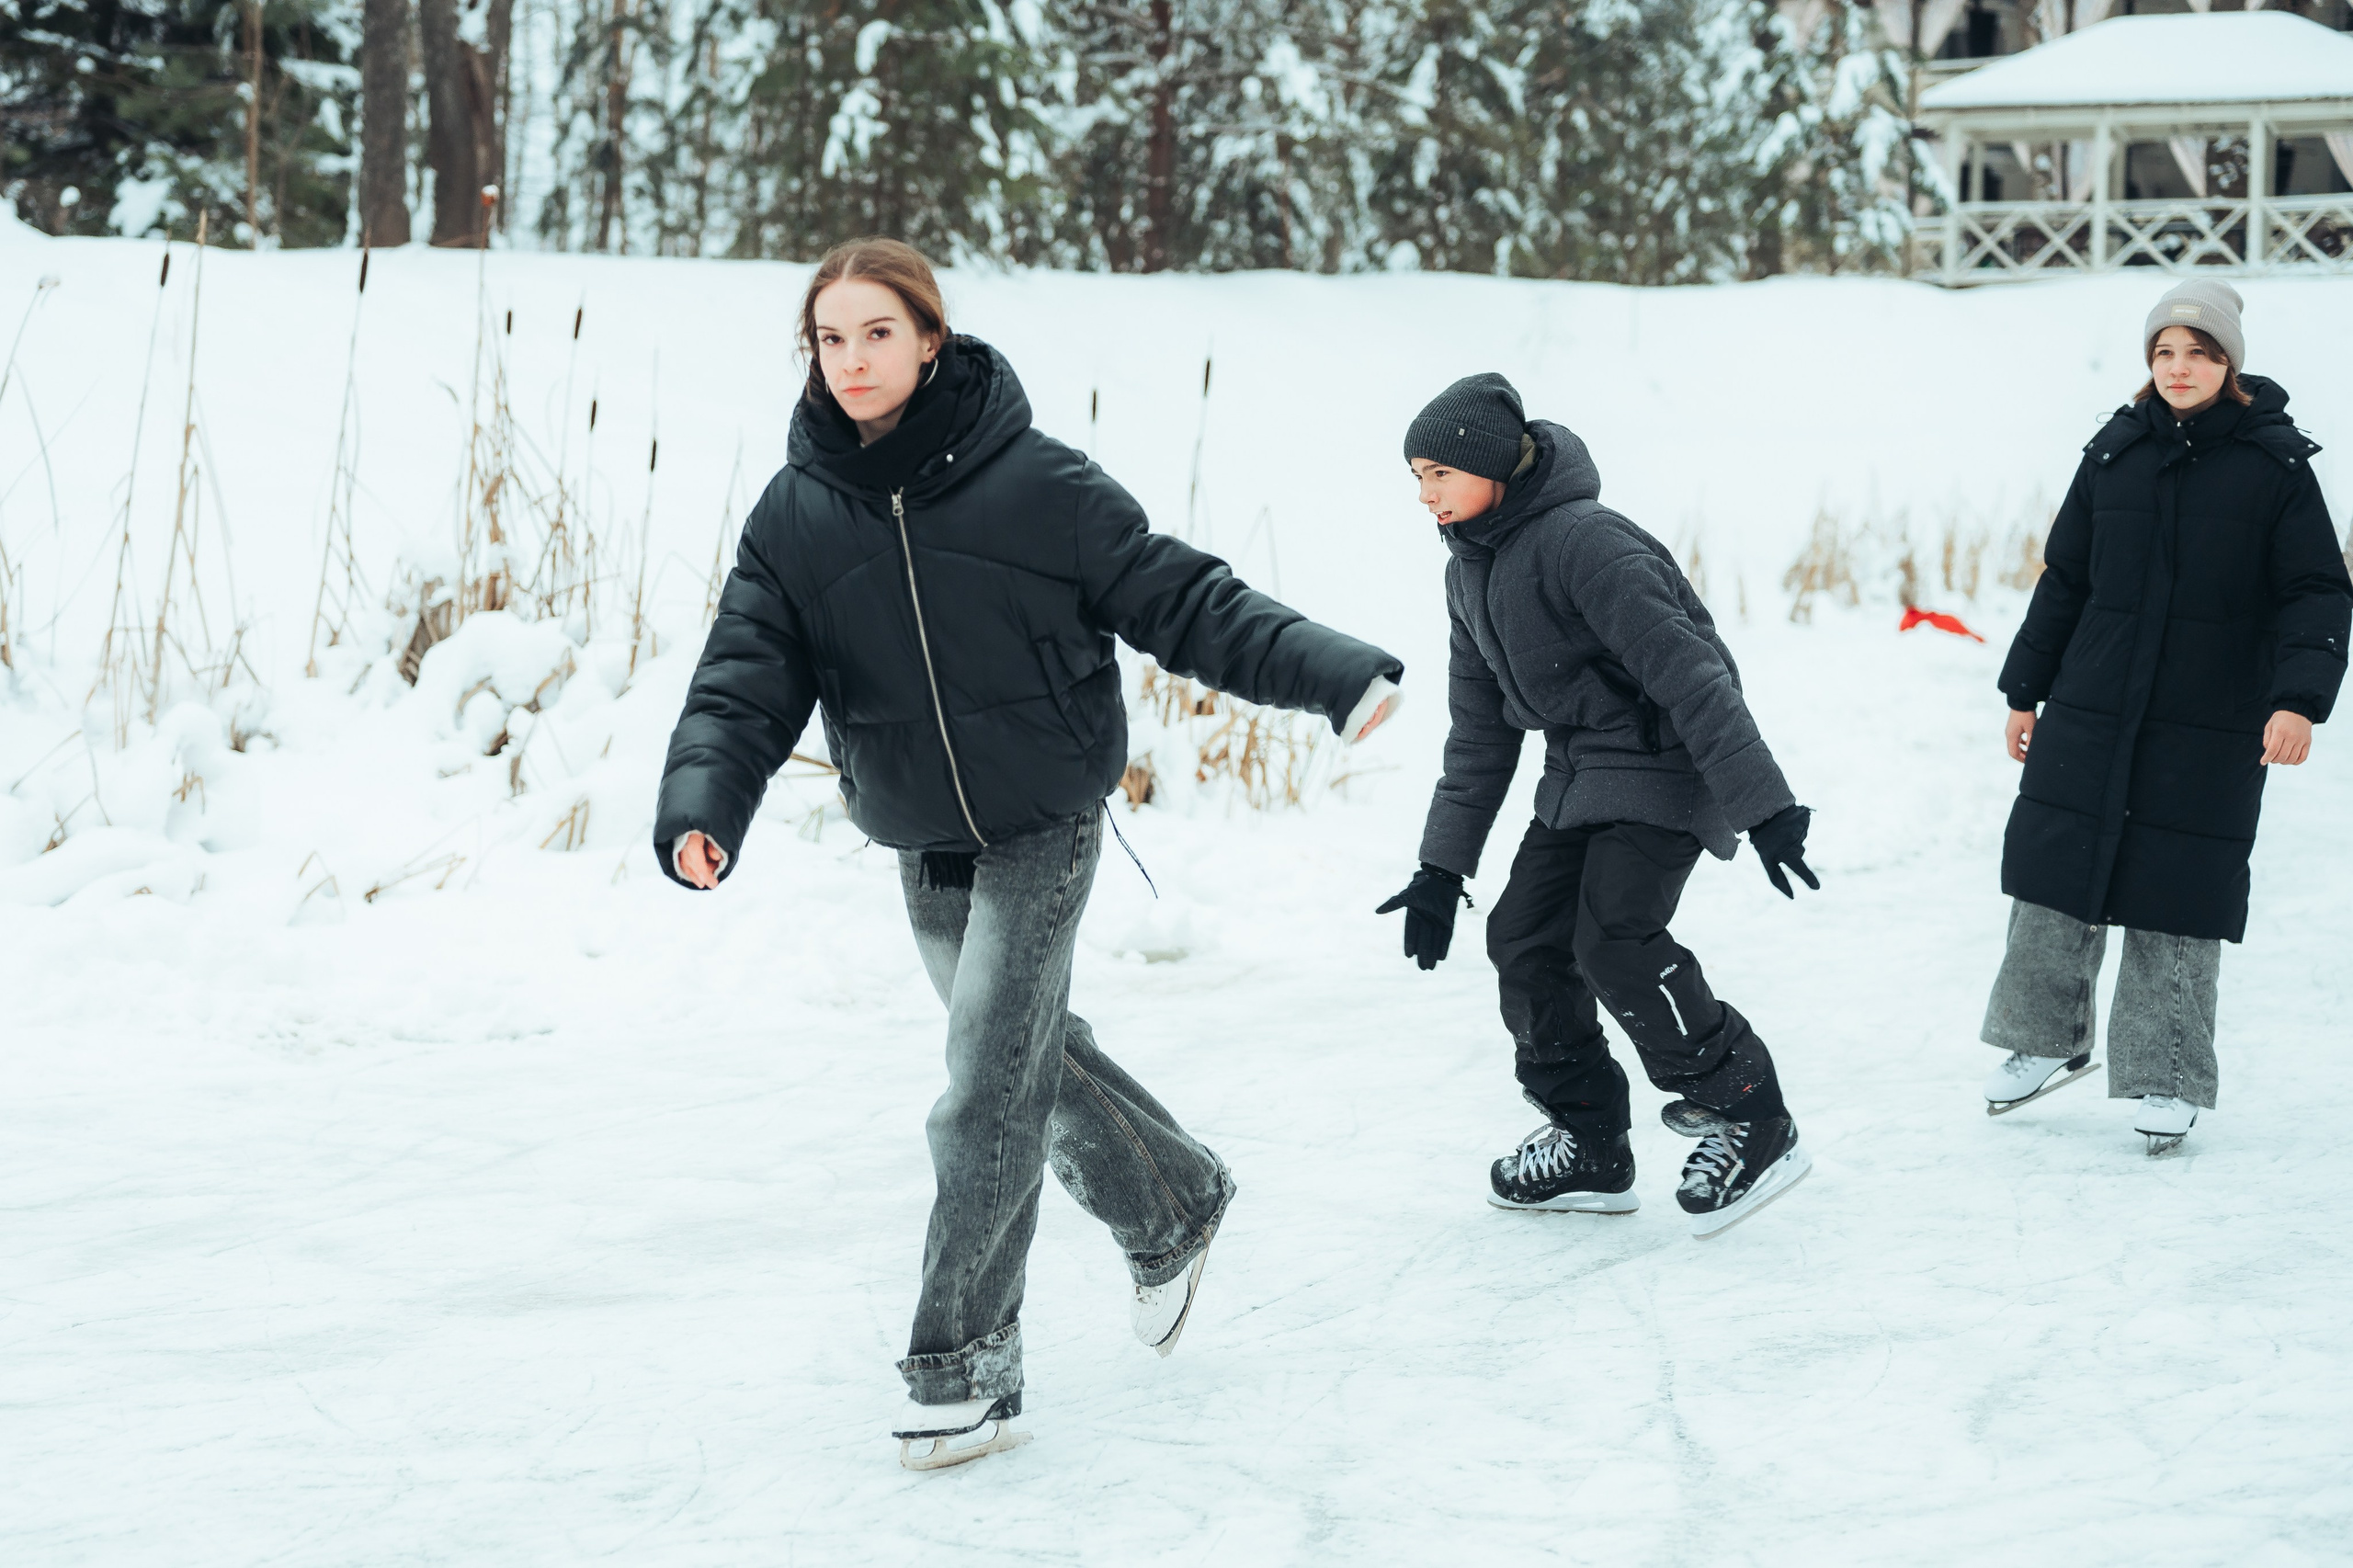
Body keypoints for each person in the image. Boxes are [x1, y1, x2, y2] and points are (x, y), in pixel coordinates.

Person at [654, 238, 1402, 1471]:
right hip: (920, 830)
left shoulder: (1036, 482)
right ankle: (1173, 1202)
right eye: (829, 338)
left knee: (985, 1091)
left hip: (1042, 825)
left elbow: (1184, 600)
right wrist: (703, 806)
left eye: (877, 333)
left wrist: (1333, 672)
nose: (851, 360)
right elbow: (741, 681)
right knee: (1022, 1053)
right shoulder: (795, 515)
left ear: (932, 338)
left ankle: (963, 1365)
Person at [1375, 373, 1815, 1238]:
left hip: (1669, 766)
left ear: (1491, 465)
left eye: (1437, 474)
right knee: (1524, 939)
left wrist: (1763, 805)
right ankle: (1590, 1142)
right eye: (1415, 478)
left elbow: (1695, 675)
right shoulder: (1471, 571)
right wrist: (1440, 868)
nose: (1424, 495)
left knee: (1614, 936)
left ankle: (1751, 1111)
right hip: (1579, 780)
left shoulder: (1587, 542)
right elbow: (1479, 736)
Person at [1980, 280, 2349, 1153]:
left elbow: (2315, 591)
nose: (2179, 369)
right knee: (2051, 873)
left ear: (2230, 364)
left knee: (2178, 889)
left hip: (2210, 713)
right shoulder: (2113, 453)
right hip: (2095, 702)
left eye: (2199, 353)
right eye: (2165, 353)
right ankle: (2042, 1042)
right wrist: (2024, 689)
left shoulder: (2274, 466)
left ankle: (2167, 1074)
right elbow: (2066, 576)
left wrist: (2298, 701)